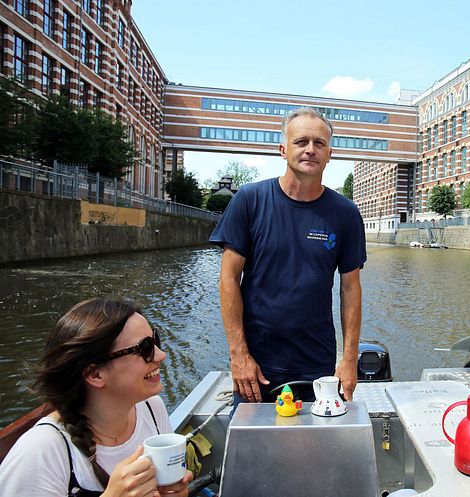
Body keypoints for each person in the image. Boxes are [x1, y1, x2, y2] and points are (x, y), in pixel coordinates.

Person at [209, 107, 366, 404]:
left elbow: (350, 288)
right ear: (283, 150)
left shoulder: (345, 214)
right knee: (252, 448)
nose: (310, 150)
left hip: (317, 364)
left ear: (329, 153)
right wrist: (239, 354)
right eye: (301, 142)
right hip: (257, 364)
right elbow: (228, 278)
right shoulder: (250, 200)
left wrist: (348, 360)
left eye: (319, 143)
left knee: (314, 449)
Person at [0, 298, 193, 497]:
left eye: (156, 341)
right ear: (95, 374)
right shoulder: (41, 451)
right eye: (145, 348)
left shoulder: (152, 408)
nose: (161, 355)